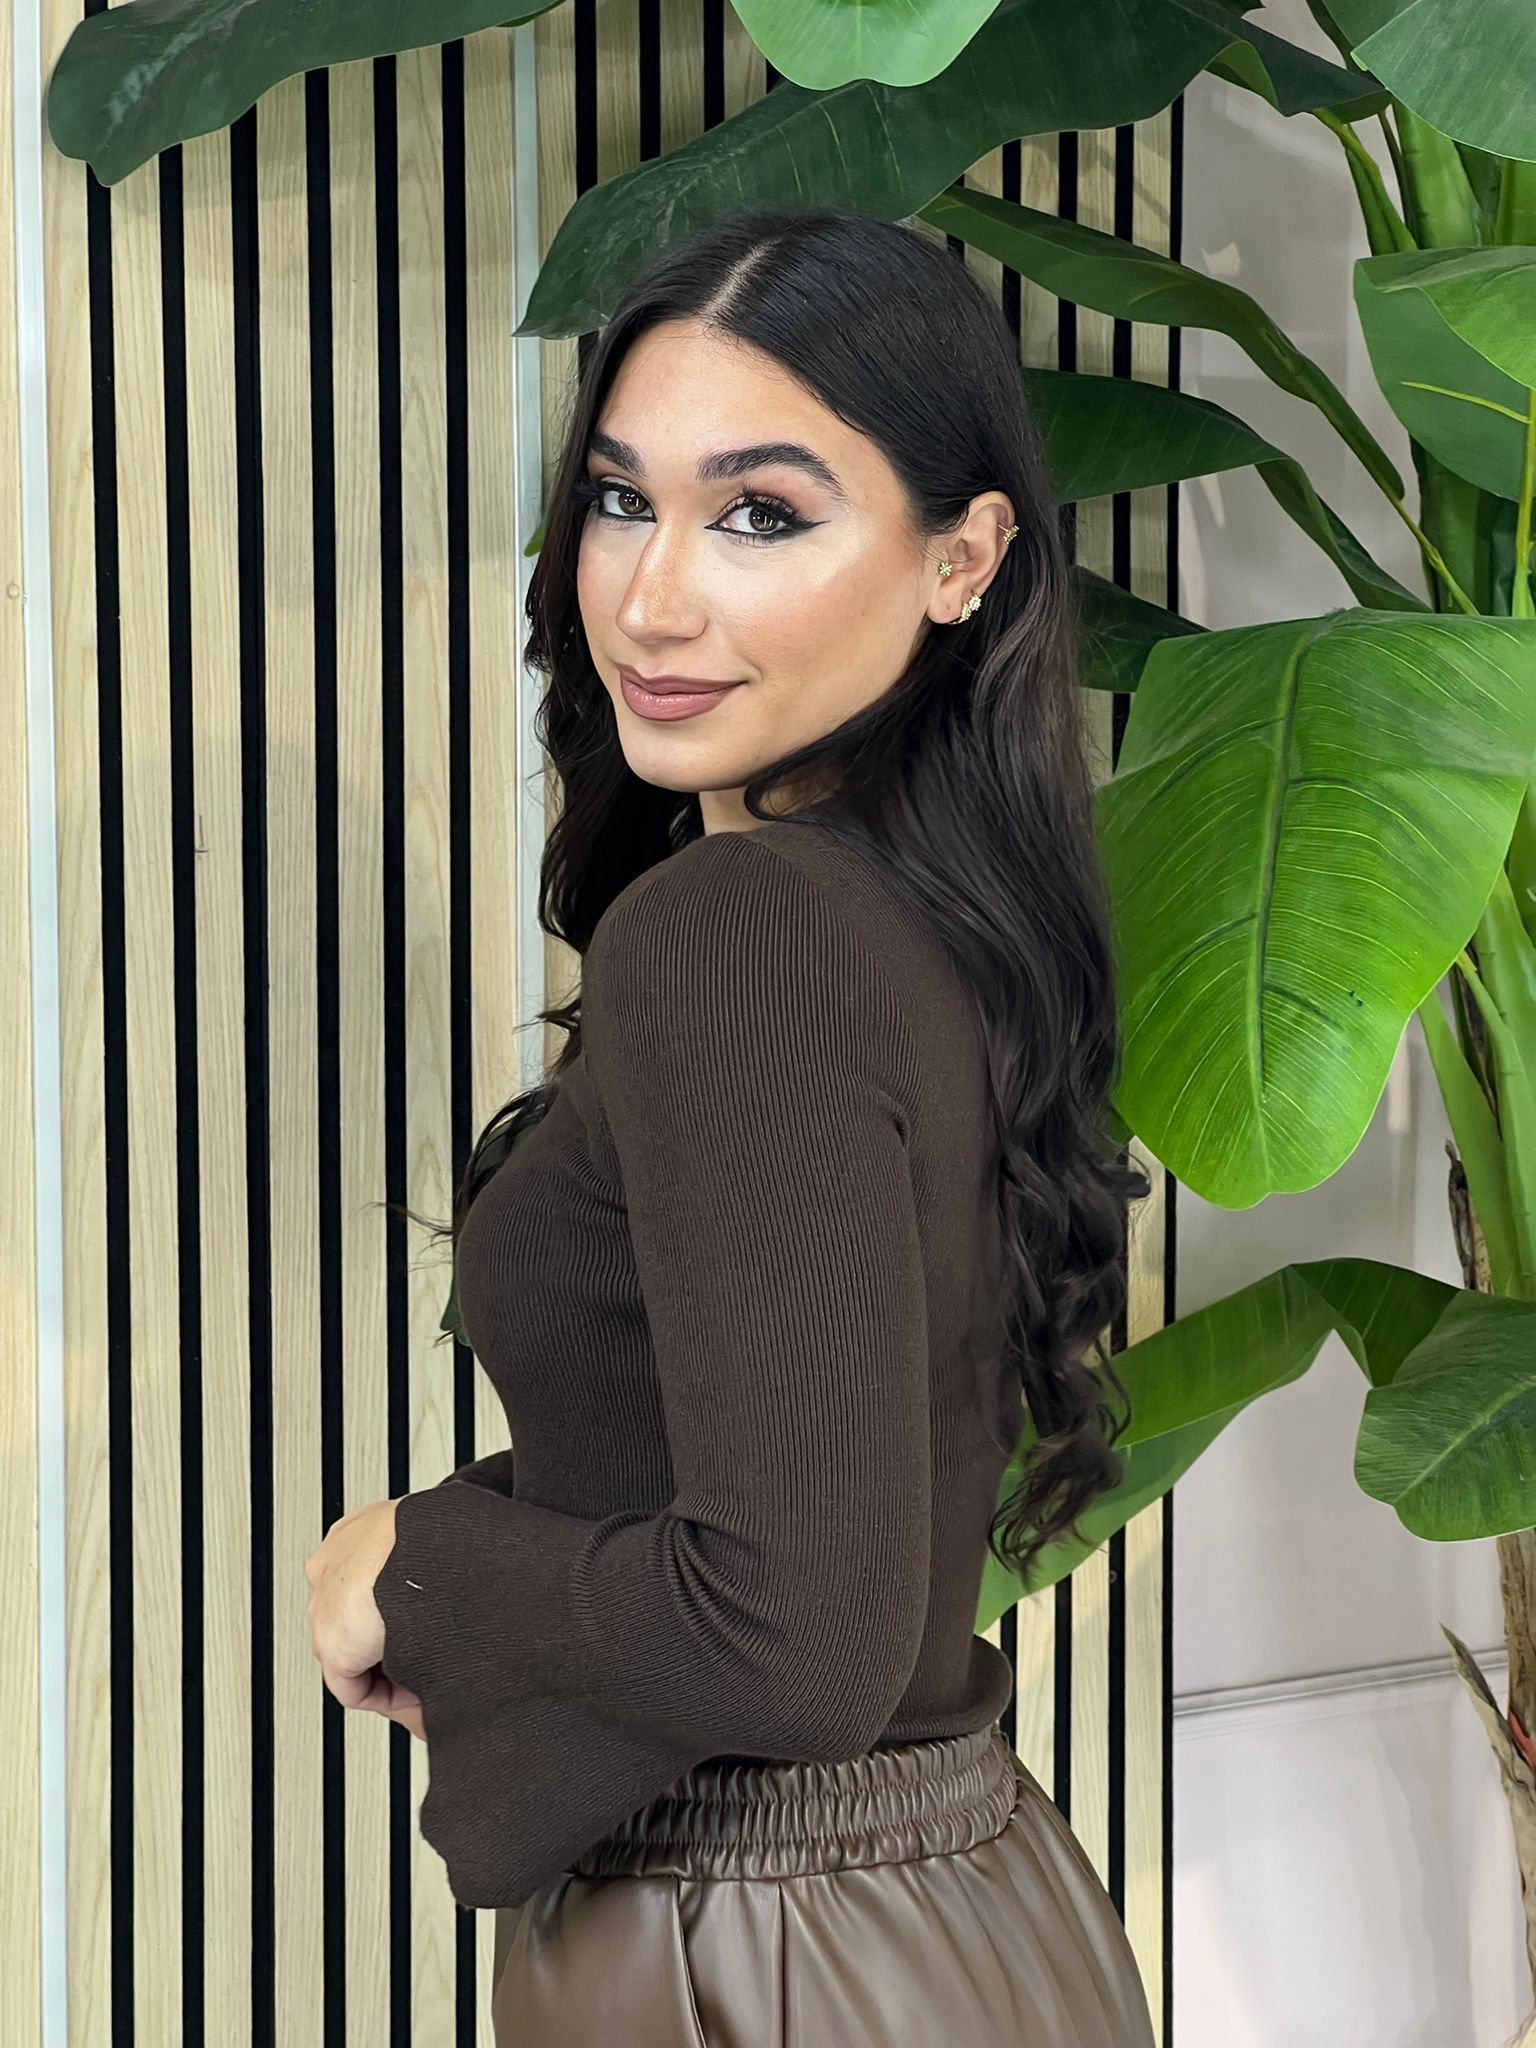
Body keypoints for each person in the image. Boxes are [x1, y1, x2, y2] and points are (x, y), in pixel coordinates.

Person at [305, 206, 1156, 2045]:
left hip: (755, 1953)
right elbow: (816, 1495)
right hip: (967, 1900)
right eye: (623, 501)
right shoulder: (936, 917)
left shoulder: (740, 932)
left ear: (961, 561)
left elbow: (796, 1636)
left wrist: (415, 1572)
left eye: (762, 514)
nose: (651, 598)